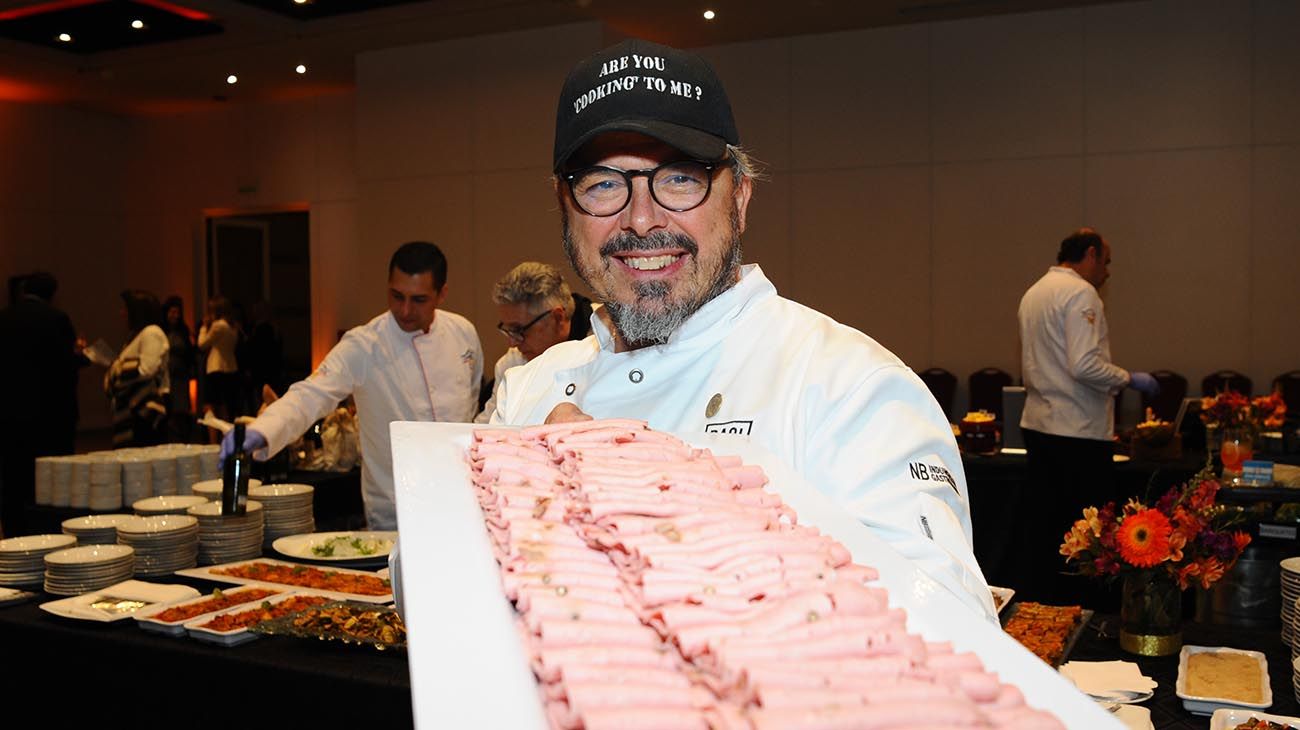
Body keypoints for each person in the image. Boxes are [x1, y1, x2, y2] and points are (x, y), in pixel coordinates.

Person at [486, 38, 996, 619]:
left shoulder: (850, 386)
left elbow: (947, 627)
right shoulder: (529, 390)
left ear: (741, 200)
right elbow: (440, 583)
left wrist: (643, 502)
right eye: (603, 184)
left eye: (680, 178)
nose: (642, 218)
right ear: (565, 209)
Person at [219, 241, 483, 530]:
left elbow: (470, 406)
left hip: (462, 499)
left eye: (418, 300)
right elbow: (311, 393)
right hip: (396, 508)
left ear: (441, 294)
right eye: (396, 296)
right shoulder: (365, 345)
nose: (405, 310)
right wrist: (263, 430)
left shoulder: (463, 333)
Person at [1016, 227, 1159, 604]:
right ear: (1091, 254)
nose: (1108, 272)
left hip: (1039, 425)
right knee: (1085, 532)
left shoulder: (1034, 292)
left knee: (1047, 525)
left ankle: (1043, 602)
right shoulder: (1081, 293)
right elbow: (1083, 365)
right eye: (1106, 262)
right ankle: (1086, 606)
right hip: (1077, 431)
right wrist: (1128, 378)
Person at [0, 272, 88, 537]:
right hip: (50, 418)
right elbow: (64, 367)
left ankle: (14, 533)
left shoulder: (3, 318)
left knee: (14, 478)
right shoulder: (56, 320)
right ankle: (47, 534)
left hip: (10, 416)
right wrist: (80, 357)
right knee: (50, 482)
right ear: (51, 294)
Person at [474, 261, 593, 424]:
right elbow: (486, 428)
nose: (512, 343)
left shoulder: (609, 342)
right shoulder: (513, 362)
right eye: (508, 329)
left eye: (520, 330)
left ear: (557, 317)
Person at [106, 289, 170, 448]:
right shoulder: (135, 336)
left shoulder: (151, 332)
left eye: (126, 309)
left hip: (144, 410)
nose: (122, 313)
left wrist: (118, 368)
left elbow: (147, 369)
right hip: (134, 411)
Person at [198, 295, 241, 425]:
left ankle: (214, 440)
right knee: (225, 406)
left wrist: (204, 327)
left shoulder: (218, 325)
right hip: (231, 367)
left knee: (212, 406)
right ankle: (226, 436)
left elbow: (202, 344)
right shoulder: (233, 326)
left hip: (216, 367)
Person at [162, 296, 196, 440]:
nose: (175, 316)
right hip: (166, 377)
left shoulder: (183, 331)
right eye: (172, 312)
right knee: (168, 412)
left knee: (181, 411)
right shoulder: (161, 331)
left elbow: (190, 352)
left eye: (178, 312)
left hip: (181, 377)